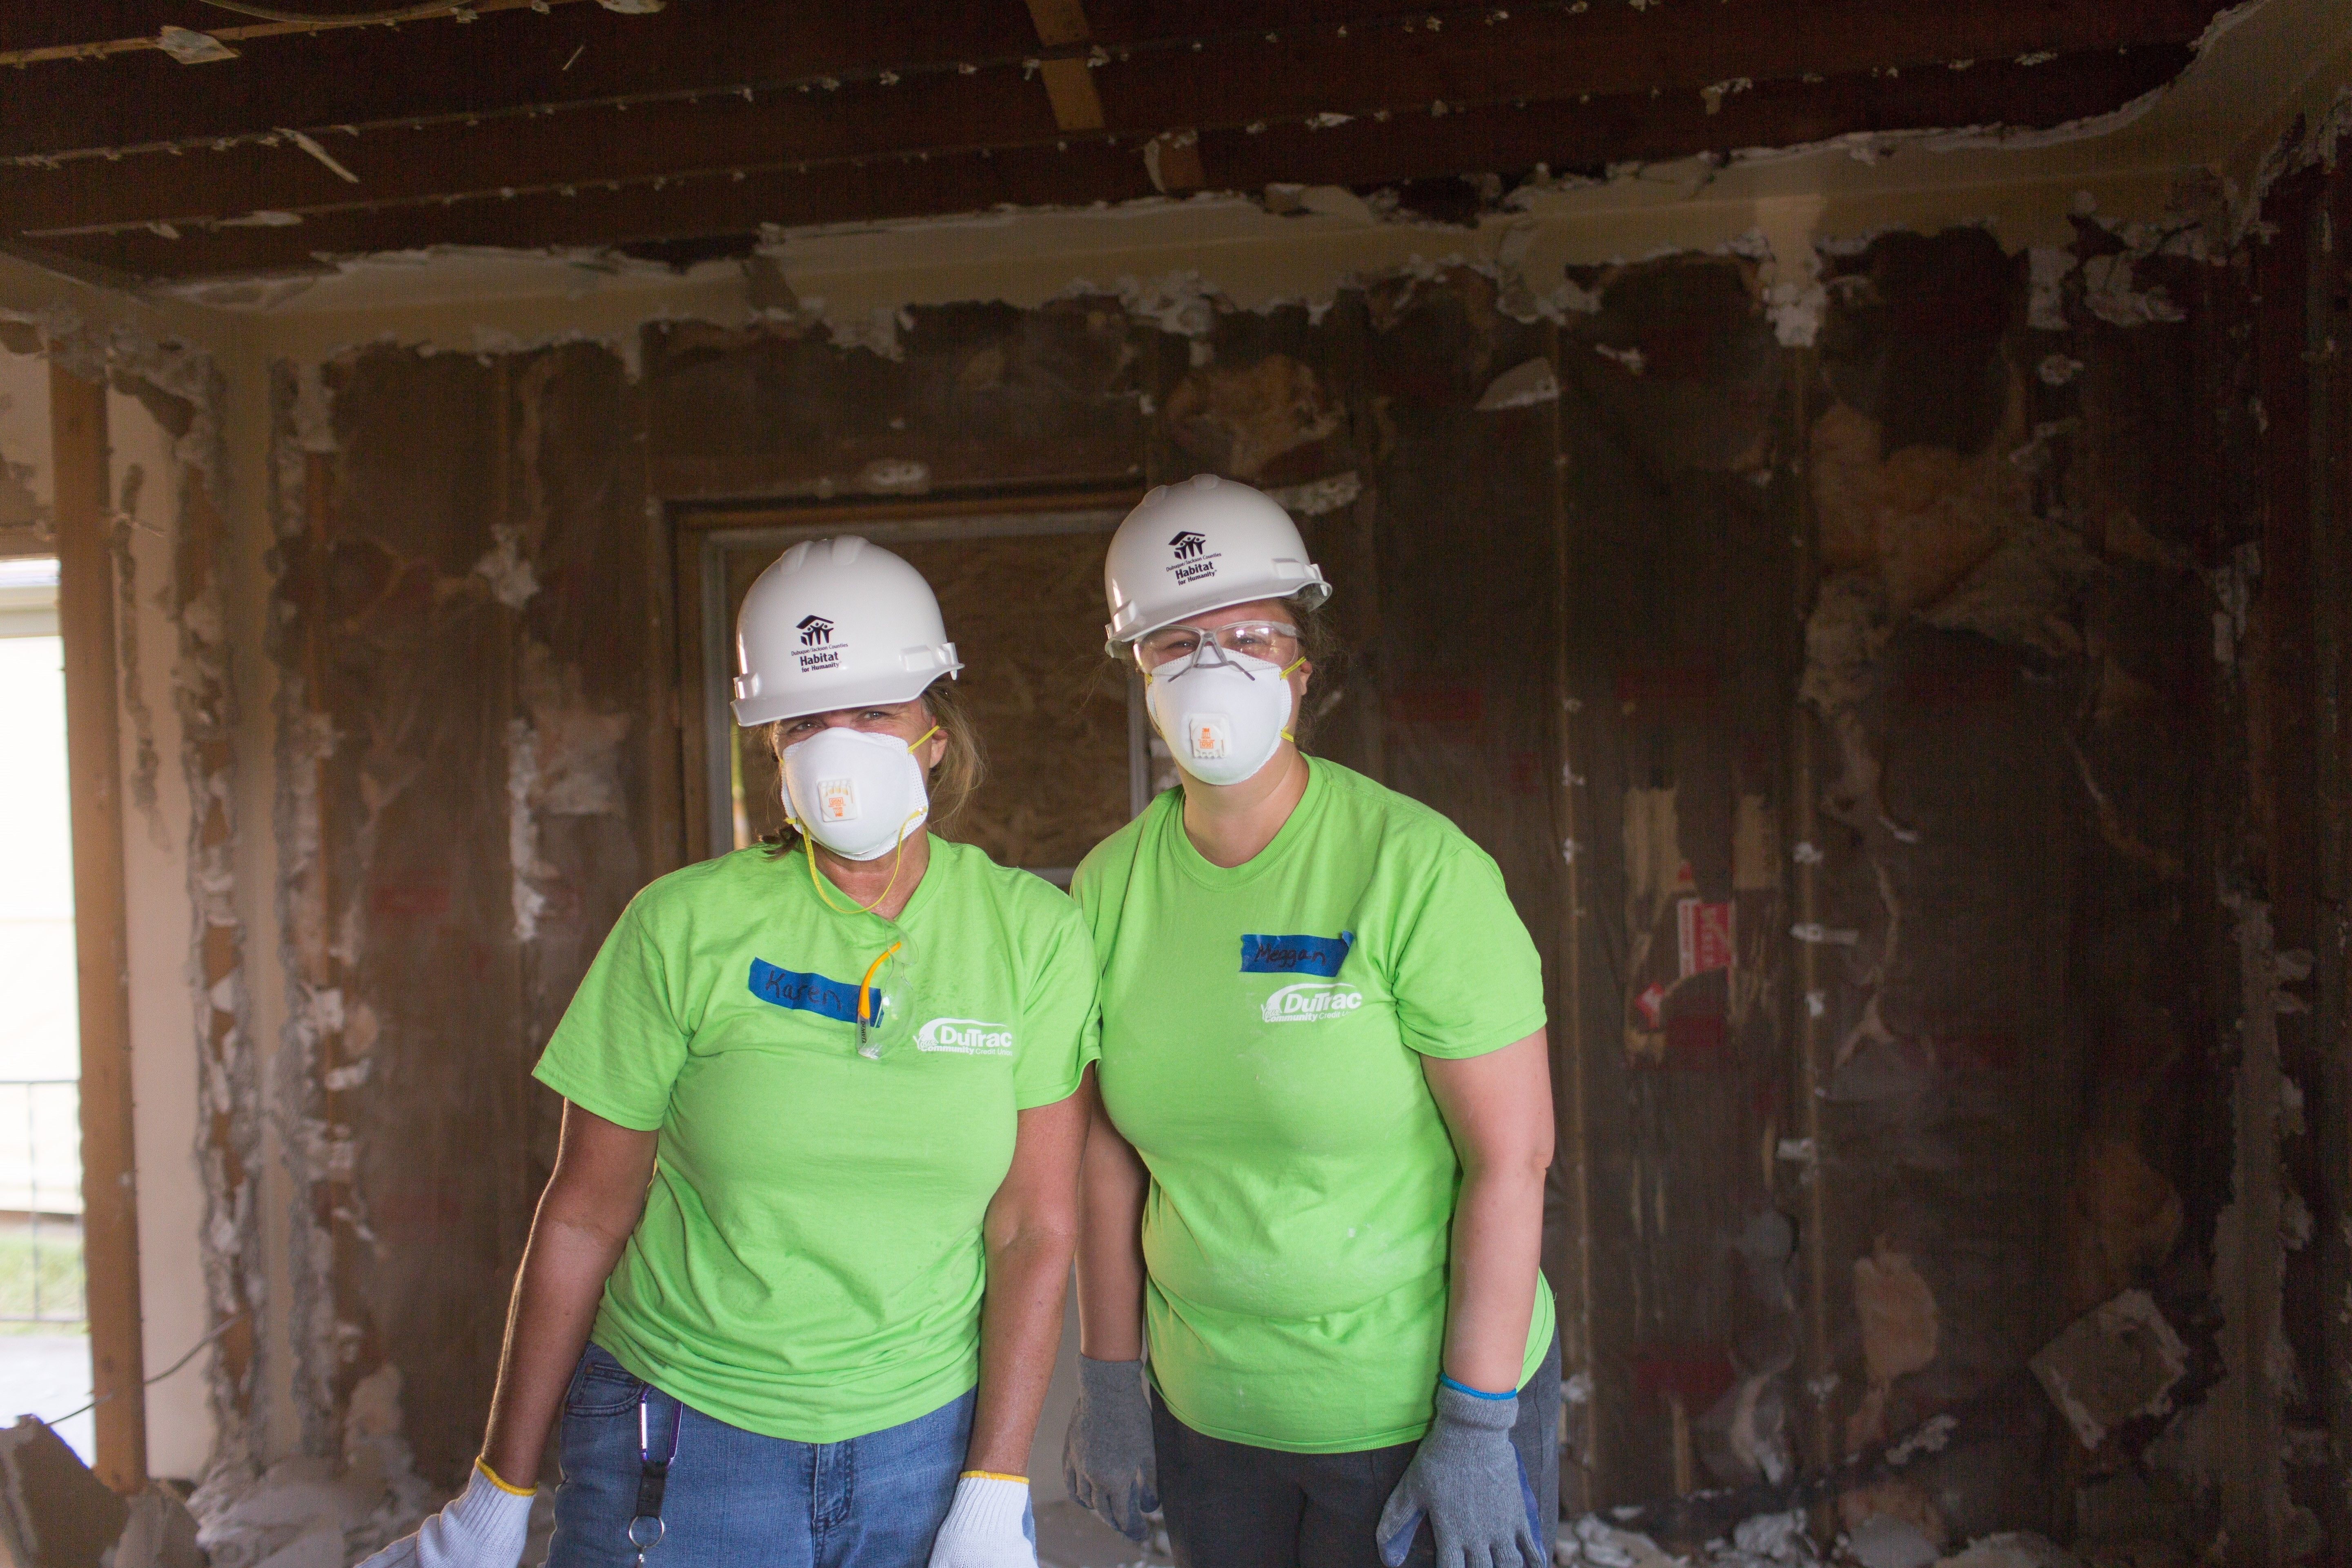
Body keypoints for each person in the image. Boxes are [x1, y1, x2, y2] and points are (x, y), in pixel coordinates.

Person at [362, 536, 1095, 1568]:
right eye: (806, 721)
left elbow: (1035, 1225)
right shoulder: (683, 927)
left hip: (923, 1442)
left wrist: (991, 1486)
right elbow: (583, 1213)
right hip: (686, 1438)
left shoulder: (1032, 935)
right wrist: (498, 1490)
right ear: (772, 747)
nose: (841, 751)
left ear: (936, 728)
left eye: (875, 714)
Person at [1061, 476, 1559, 1568]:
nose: (1214, 667)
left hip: (1410, 1413)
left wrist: (1477, 1421)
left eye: (1250, 634)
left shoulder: (1414, 871)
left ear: (1302, 665)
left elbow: (1511, 1158)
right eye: (1174, 640)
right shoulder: (1108, 891)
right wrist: (1109, 1376)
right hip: (1212, 1423)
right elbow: (1107, 1151)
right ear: (1134, 666)